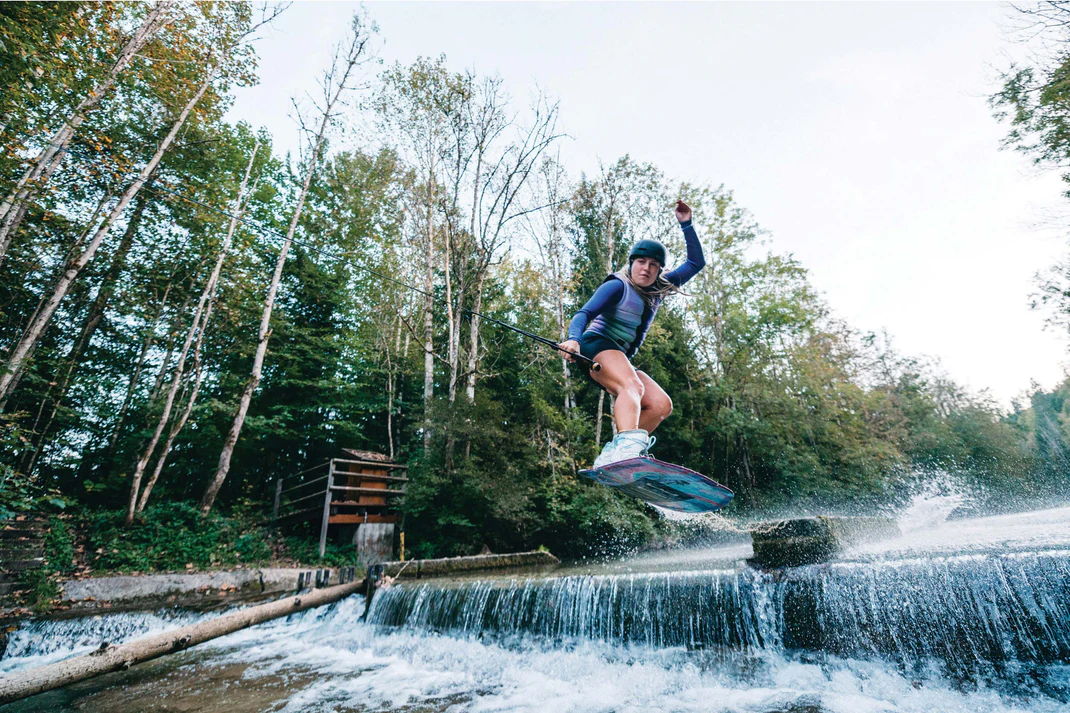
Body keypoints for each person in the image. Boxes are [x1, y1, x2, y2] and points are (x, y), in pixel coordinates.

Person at [559, 200, 705, 468]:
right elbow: (584, 313)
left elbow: (696, 262)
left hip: (620, 357)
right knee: (633, 386)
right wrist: (573, 339)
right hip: (595, 346)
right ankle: (627, 448)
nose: (646, 269)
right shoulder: (617, 285)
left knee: (660, 404)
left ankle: (614, 456)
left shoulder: (661, 286)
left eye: (653, 264)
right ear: (632, 263)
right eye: (641, 262)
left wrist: (686, 224)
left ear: (660, 270)